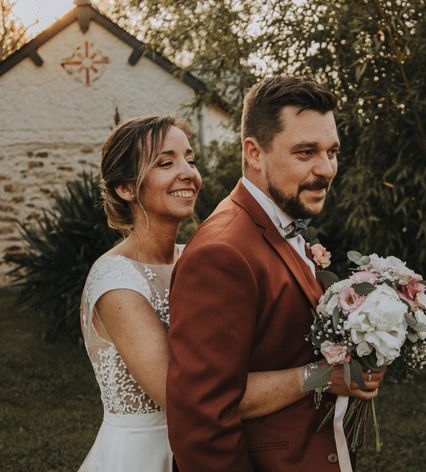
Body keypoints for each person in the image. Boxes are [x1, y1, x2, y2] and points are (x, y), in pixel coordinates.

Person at [79, 114, 362, 472]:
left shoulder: (196, 257)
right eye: (166, 162)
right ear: (125, 188)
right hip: (149, 455)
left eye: (190, 159)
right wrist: (318, 375)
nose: (188, 172)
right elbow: (190, 398)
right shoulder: (116, 281)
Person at [167, 76, 383, 472]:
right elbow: (202, 424)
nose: (326, 169)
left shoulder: (283, 222)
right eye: (305, 152)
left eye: (332, 151)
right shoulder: (221, 254)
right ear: (254, 152)